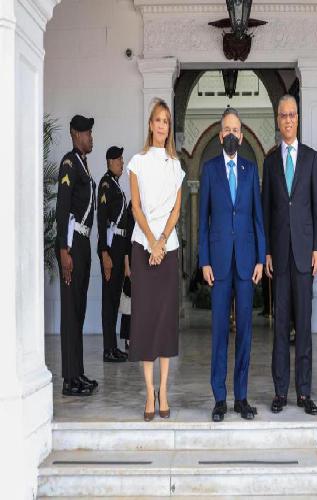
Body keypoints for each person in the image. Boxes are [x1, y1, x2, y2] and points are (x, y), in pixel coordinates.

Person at [199, 108, 265, 422]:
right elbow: (203, 220)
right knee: (219, 334)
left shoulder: (251, 170)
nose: (230, 134)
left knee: (245, 334)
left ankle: (241, 397)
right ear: (219, 134)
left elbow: (257, 218)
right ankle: (219, 399)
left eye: (235, 130)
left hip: (246, 263)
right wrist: (204, 261)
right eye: (226, 129)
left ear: (242, 135)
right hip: (220, 263)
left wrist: (260, 258)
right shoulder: (209, 169)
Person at [262, 95, 317, 415]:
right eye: (283, 115)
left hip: (303, 255)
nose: (288, 119)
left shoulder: (311, 158)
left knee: (303, 325)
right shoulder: (270, 161)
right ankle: (280, 392)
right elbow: (266, 211)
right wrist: (267, 251)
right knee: (280, 326)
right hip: (280, 257)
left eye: (292, 115)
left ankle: (303, 392)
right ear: (278, 119)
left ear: (298, 119)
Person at [127, 99, 185, 421]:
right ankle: (149, 392)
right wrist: (151, 241)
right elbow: (136, 206)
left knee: (165, 320)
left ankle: (164, 389)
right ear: (150, 124)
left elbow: (176, 210)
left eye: (166, 121)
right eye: (158, 120)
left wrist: (161, 242)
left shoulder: (176, 165)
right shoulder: (137, 162)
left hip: (168, 247)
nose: (162, 125)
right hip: (142, 246)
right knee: (145, 319)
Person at [55, 114, 98, 396]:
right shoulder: (69, 163)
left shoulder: (82, 164)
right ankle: (69, 380)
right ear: (74, 134)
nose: (90, 137)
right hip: (71, 244)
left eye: (91, 133)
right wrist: (63, 249)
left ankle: (77, 372)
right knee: (71, 313)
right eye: (86, 133)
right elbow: (63, 206)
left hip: (82, 242)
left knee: (79, 311)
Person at [97, 146, 129, 363]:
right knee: (109, 301)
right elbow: (102, 220)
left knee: (115, 299)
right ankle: (108, 349)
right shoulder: (106, 184)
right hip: (110, 248)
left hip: (119, 246)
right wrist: (104, 253)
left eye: (122, 160)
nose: (122, 163)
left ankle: (113, 346)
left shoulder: (116, 185)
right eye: (119, 160)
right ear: (110, 162)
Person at [119, 201, 134, 351]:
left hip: (139, 266)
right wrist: (127, 267)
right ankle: (128, 340)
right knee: (129, 303)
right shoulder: (129, 221)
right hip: (130, 266)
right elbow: (125, 247)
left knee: (136, 304)